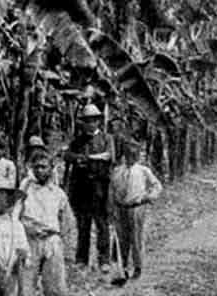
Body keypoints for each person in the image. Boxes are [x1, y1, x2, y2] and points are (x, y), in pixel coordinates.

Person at [18, 151, 73, 296]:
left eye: (44, 167)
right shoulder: (24, 190)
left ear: (51, 169)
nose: (41, 170)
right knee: (25, 285)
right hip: (29, 241)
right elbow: (16, 217)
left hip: (51, 242)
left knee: (54, 286)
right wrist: (29, 229)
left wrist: (58, 237)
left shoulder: (58, 193)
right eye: (37, 167)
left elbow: (67, 221)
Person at [64, 104, 113, 269]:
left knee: (102, 224)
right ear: (83, 123)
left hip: (100, 186)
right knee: (83, 225)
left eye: (93, 120)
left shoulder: (106, 138)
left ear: (98, 121)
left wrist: (88, 158)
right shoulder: (78, 140)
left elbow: (108, 156)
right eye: (87, 121)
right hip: (82, 188)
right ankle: (81, 260)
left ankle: (104, 260)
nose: (90, 124)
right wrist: (79, 158)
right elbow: (68, 156)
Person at [110, 140, 162, 279]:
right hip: (121, 209)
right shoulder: (117, 171)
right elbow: (112, 191)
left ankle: (138, 266)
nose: (131, 156)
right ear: (124, 155)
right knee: (122, 239)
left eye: (134, 154)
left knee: (136, 238)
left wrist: (148, 197)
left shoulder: (143, 171)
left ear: (138, 155)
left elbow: (157, 186)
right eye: (128, 154)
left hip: (137, 208)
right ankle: (123, 267)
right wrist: (111, 209)